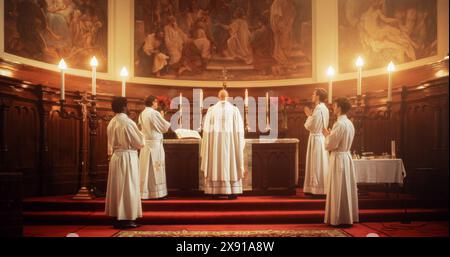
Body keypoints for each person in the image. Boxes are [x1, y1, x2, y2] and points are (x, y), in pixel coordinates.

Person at [105, 97, 145, 229]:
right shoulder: (127, 122)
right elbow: (139, 142)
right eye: (127, 105)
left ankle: (117, 216)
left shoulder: (112, 121)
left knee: (117, 187)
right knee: (128, 187)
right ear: (123, 107)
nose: (128, 108)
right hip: (127, 156)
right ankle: (127, 218)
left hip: (116, 157)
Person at [201, 89, 245, 200]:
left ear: (218, 97)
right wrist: (239, 143)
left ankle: (215, 191)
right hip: (230, 144)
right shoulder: (234, 110)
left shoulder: (211, 110)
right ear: (228, 97)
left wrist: (207, 142)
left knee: (216, 161)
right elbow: (240, 131)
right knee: (231, 162)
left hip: (215, 145)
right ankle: (232, 192)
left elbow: (206, 131)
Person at [323, 97, 359, 227]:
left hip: (338, 158)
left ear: (339, 108)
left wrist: (327, 135)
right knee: (345, 187)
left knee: (338, 188)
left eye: (335, 105)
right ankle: (347, 216)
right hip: (346, 156)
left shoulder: (339, 124)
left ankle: (338, 218)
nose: (333, 107)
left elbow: (330, 145)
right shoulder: (349, 123)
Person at [138, 96, 171, 200]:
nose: (157, 104)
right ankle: (157, 194)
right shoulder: (154, 113)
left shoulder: (142, 113)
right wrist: (162, 116)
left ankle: (145, 193)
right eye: (156, 102)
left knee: (146, 170)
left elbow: (140, 127)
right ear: (153, 102)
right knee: (156, 170)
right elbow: (165, 127)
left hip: (146, 144)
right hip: (155, 145)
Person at [303, 88, 329, 196]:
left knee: (316, 163)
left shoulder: (318, 109)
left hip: (316, 138)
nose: (312, 95)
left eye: (313, 94)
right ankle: (320, 188)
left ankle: (317, 190)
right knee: (320, 163)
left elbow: (311, 126)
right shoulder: (325, 108)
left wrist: (309, 116)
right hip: (320, 137)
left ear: (318, 96)